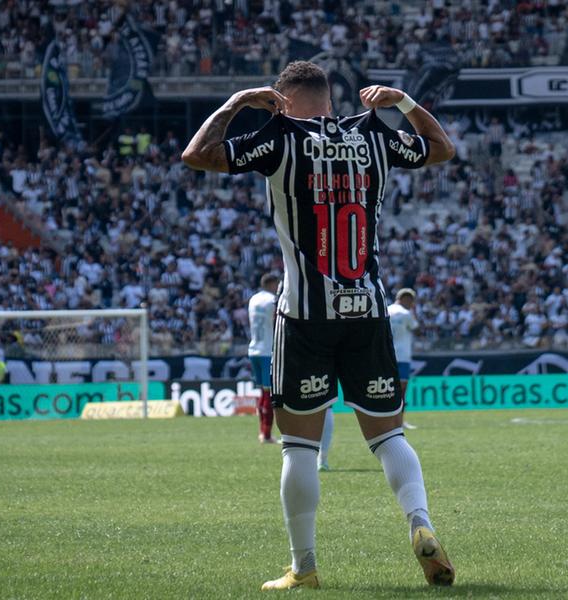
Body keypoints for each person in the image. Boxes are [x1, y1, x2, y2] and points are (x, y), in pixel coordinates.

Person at [183, 60, 457, 590]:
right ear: (331, 100)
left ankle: (303, 566)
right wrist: (402, 102)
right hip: (368, 309)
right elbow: (442, 148)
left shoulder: (279, 136)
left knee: (299, 448)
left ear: (281, 100)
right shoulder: (374, 132)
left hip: (306, 314)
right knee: (389, 435)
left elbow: (197, 156)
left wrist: (239, 101)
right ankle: (420, 522)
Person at [249, 272, 281, 444]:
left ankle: (262, 432)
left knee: (262, 393)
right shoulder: (272, 301)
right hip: (267, 352)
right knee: (269, 396)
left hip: (253, 350)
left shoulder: (253, 299)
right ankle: (267, 434)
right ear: (271, 284)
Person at [388, 288, 420, 431]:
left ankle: (387, 422)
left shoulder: (386, 310)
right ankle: (399, 422)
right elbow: (416, 329)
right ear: (406, 299)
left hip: (387, 356)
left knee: (387, 390)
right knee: (401, 391)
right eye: (411, 301)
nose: (412, 304)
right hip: (402, 357)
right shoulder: (406, 314)